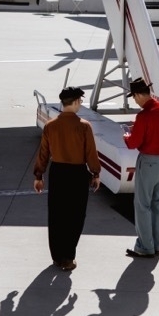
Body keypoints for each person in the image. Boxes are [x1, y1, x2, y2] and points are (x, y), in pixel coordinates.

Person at [33, 86, 101, 271]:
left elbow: (43, 154)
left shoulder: (50, 125)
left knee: (56, 215)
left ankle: (56, 256)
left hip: (57, 173)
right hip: (77, 175)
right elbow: (91, 154)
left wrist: (39, 176)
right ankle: (68, 257)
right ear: (77, 101)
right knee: (75, 216)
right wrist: (95, 174)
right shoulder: (84, 126)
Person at [123, 77, 159, 258]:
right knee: (157, 204)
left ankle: (145, 246)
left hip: (149, 162)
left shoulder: (143, 115)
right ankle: (156, 244)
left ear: (138, 95)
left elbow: (133, 143)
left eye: (134, 97)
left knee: (142, 205)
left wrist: (128, 134)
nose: (135, 101)